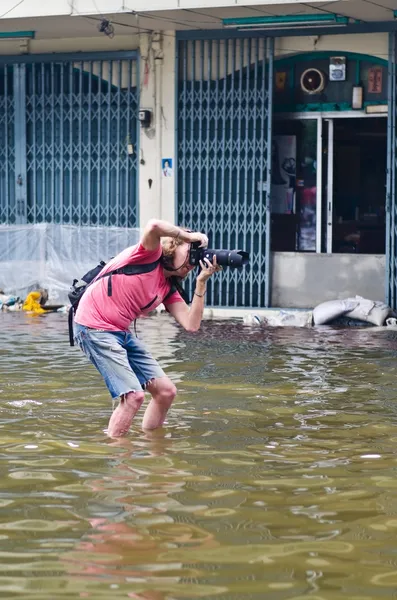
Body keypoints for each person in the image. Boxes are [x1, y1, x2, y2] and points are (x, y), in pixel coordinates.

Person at [73, 219, 222, 438]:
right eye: (190, 252)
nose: (193, 260)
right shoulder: (148, 255)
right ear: (173, 245)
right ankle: (117, 461)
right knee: (134, 396)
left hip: (119, 333)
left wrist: (201, 282)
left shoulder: (167, 287)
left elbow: (191, 325)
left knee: (166, 392)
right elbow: (153, 226)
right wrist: (190, 236)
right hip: (93, 327)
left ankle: (153, 445)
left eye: (196, 256)